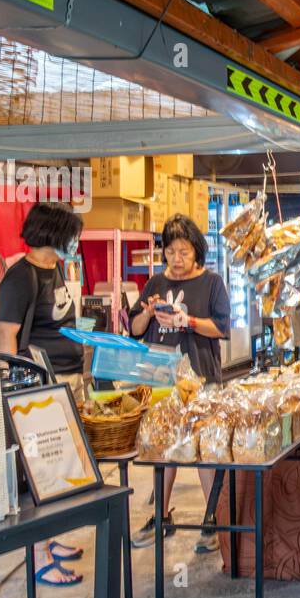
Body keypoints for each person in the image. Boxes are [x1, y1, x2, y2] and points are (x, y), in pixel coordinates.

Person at [0, 201, 86, 586]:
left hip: (68, 381)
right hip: (39, 389)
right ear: (54, 234)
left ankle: (53, 536)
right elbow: (6, 338)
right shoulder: (21, 277)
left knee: (62, 467)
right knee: (40, 469)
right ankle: (38, 554)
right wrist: (18, 394)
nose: (77, 242)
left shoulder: (58, 269)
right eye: (73, 235)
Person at [130, 214, 231, 551]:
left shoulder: (212, 283)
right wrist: (147, 312)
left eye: (184, 252)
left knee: (205, 450)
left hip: (202, 378)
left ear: (197, 252)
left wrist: (187, 321)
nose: (177, 259)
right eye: (171, 251)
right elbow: (134, 329)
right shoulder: (155, 284)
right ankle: (160, 515)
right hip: (161, 381)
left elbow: (221, 329)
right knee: (162, 448)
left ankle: (211, 519)